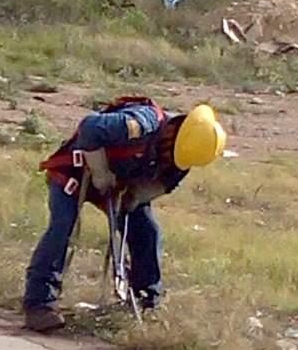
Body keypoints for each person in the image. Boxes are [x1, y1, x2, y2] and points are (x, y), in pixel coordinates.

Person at [23, 96, 226, 332]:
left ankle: (144, 304)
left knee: (147, 232)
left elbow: (162, 184)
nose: (171, 159)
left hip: (120, 187)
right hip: (77, 171)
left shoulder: (185, 156)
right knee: (62, 228)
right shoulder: (142, 123)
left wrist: (134, 198)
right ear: (175, 132)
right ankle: (39, 305)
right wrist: (100, 171)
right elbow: (90, 127)